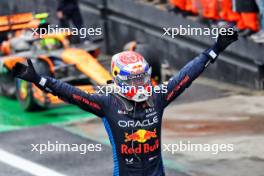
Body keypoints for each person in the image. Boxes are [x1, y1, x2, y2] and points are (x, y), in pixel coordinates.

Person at [12, 27, 238, 176]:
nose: (140, 85)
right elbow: (70, 93)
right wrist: (39, 79)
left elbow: (187, 76)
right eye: (134, 80)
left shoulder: (157, 97)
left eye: (142, 78)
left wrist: (215, 49)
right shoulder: (106, 103)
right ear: (119, 78)